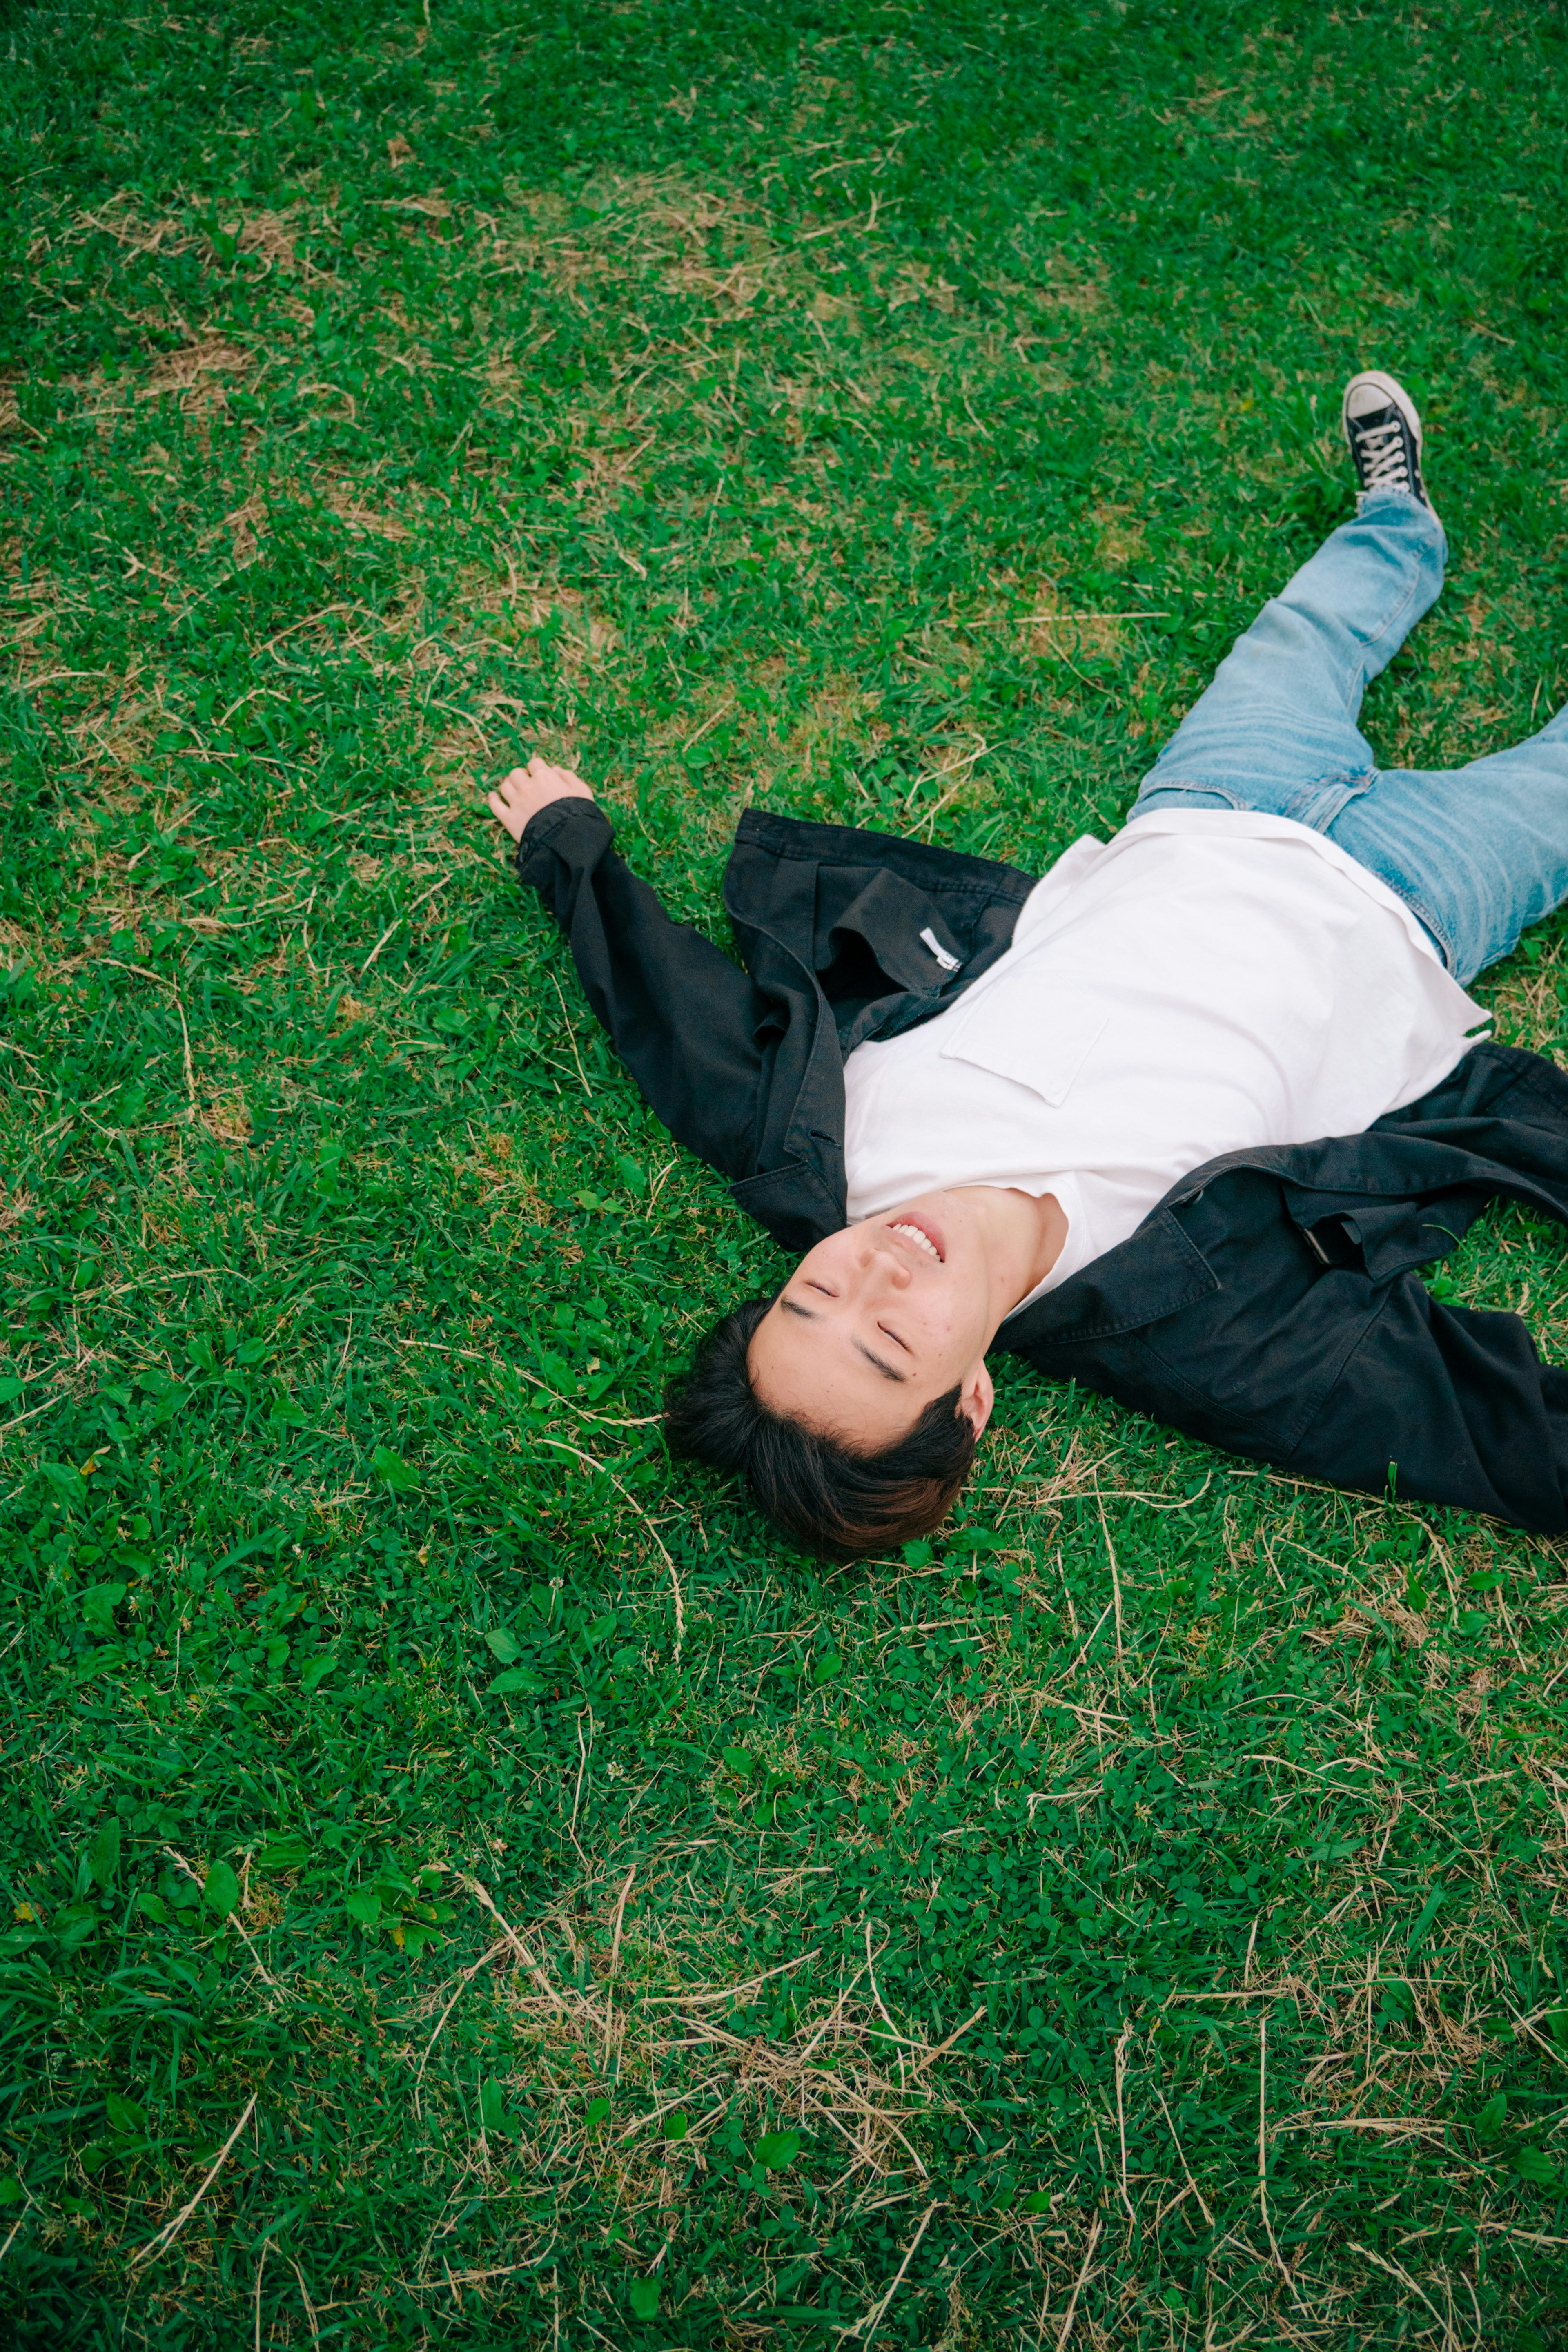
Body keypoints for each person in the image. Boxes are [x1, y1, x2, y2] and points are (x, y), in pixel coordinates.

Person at [489, 372, 1568, 1559]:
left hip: (1209, 804)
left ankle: (1399, 523)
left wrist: (570, 854)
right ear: (971, 1402)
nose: (872, 1281)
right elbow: (1484, 1428)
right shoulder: (1195, 1333)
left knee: (1307, 631)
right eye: (891, 1345)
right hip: (1412, 904)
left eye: (812, 1295)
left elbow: (670, 1020)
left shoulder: (826, 1141)